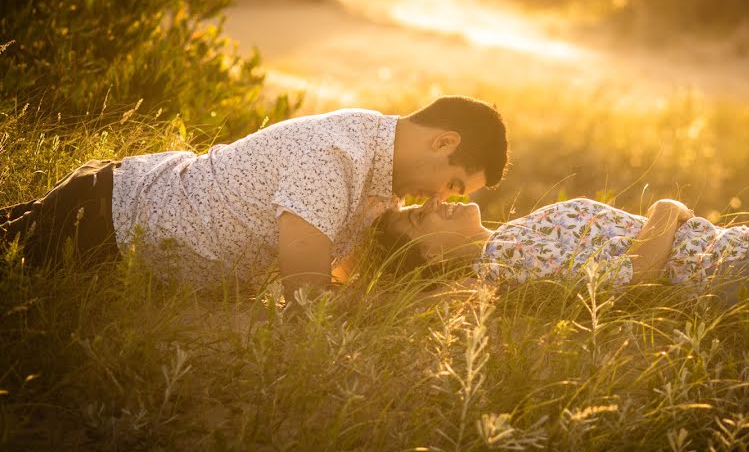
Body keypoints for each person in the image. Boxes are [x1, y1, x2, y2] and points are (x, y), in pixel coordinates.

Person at [0, 96, 509, 293]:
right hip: (103, 219)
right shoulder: (338, 154)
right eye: (454, 184)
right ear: (444, 142)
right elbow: (305, 288)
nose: (441, 199)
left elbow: (344, 267)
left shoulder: (382, 185)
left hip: (119, 236)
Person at [373, 197, 749, 314]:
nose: (434, 203)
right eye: (418, 218)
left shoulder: (510, 237)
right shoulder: (507, 259)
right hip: (744, 270)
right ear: (435, 261)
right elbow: (635, 279)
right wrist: (667, 210)